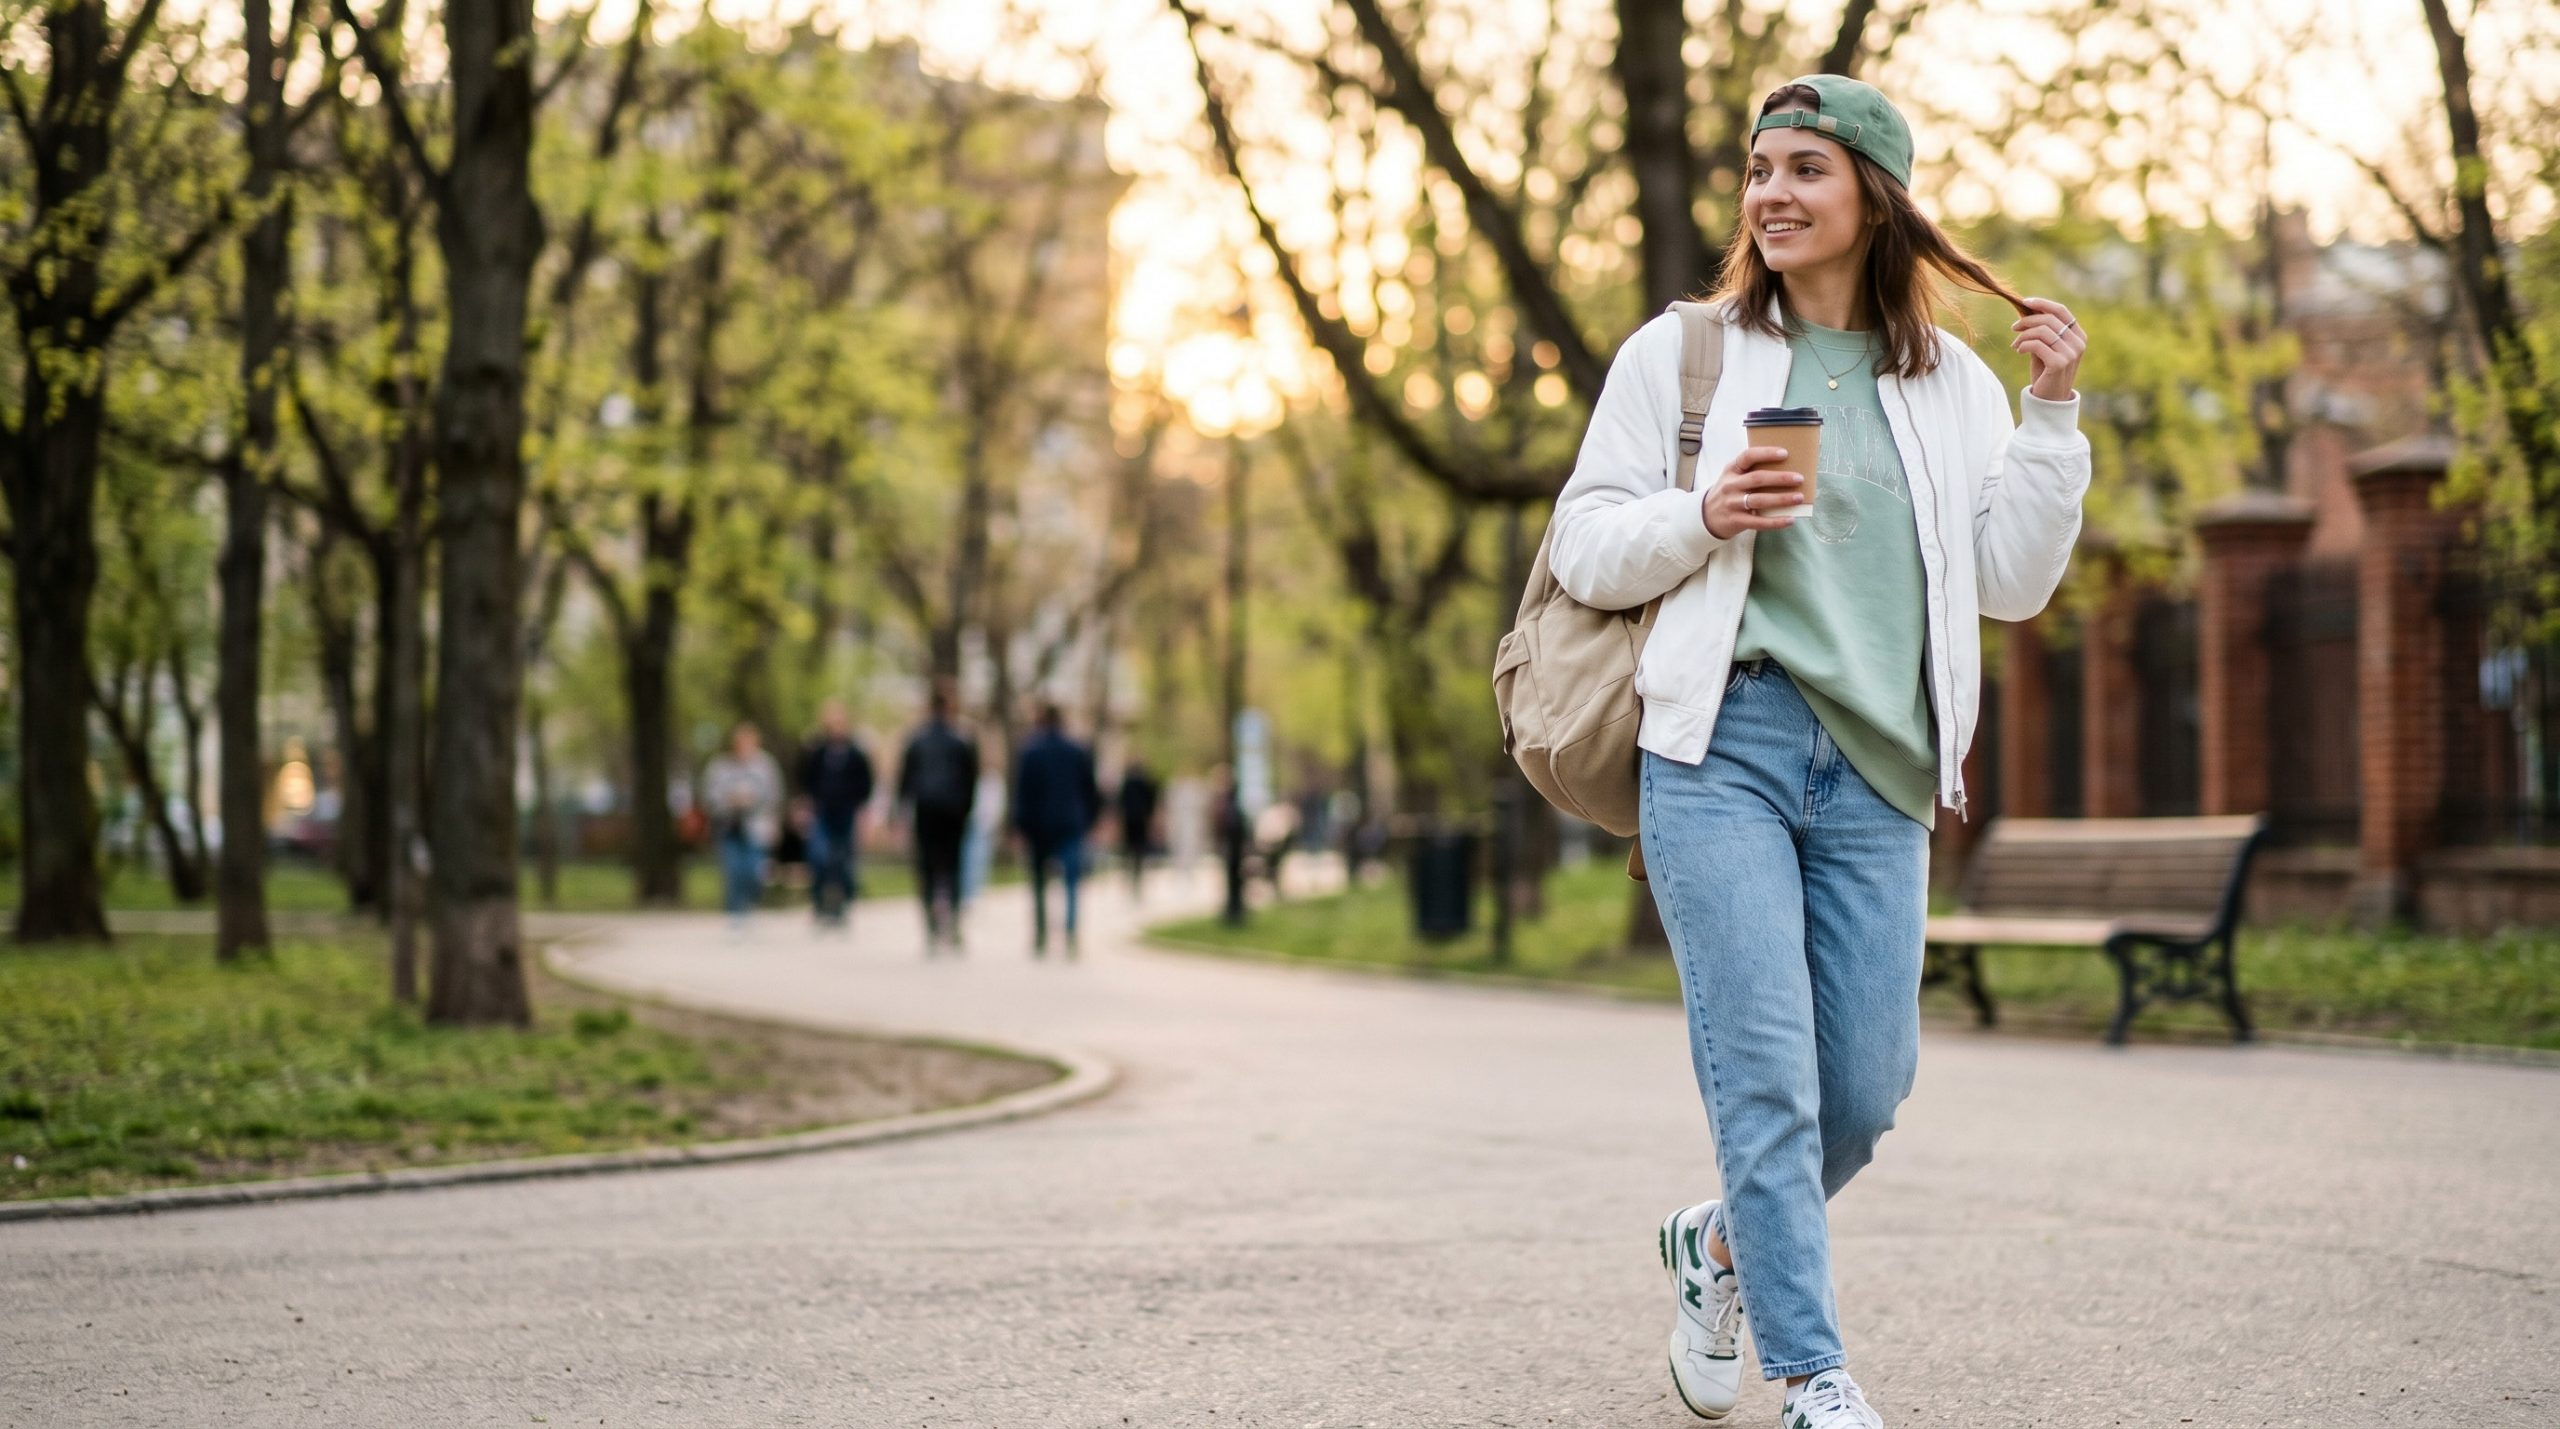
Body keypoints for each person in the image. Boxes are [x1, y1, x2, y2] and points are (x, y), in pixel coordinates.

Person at [1545, 77, 2090, 1428]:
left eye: (1808, 170)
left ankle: (1718, 1246)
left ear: (1874, 199)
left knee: (1867, 1087)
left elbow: (2012, 584)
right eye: (1759, 169)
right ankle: (1812, 1373)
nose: (1773, 193)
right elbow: (1583, 543)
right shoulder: (1688, 355)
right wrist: (1705, 512)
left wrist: (2055, 418)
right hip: (1719, 745)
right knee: (1771, 1078)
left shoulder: (1947, 382)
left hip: (1880, 771)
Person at [1009, 703, 1102, 957]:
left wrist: (1019, 825)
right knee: (1071, 881)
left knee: (1039, 882)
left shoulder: (1030, 751)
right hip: (1070, 822)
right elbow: (1090, 790)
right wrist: (1091, 821)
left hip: (1039, 824)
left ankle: (1041, 934)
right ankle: (1070, 932)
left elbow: (1022, 793)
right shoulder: (1077, 750)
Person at [896, 688, 979, 954]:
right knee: (953, 866)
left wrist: (901, 809)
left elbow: (905, 779)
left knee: (927, 867)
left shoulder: (917, 739)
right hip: (954, 811)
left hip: (926, 809)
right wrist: (967, 808)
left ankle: (932, 926)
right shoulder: (962, 738)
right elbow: (971, 779)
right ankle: (952, 922)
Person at [798, 700, 875, 930]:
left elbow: (865, 784)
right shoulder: (816, 751)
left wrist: (863, 812)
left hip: (847, 811)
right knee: (819, 858)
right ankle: (820, 905)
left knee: (843, 860)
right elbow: (805, 780)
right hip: (822, 810)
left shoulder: (855, 752)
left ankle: (842, 907)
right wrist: (804, 806)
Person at [701, 722, 784, 927]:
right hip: (728, 825)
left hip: (757, 826)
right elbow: (709, 796)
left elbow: (775, 796)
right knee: (733, 870)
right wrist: (729, 800)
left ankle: (749, 903)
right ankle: (735, 914)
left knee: (754, 871)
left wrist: (768, 815)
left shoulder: (765, 765)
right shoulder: (720, 766)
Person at [1114, 760, 1160, 897]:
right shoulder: (1142, 783)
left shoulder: (1128, 783)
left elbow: (1120, 803)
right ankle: (1136, 878)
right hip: (1139, 820)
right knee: (1138, 851)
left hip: (1131, 820)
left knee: (1131, 851)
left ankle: (1132, 878)